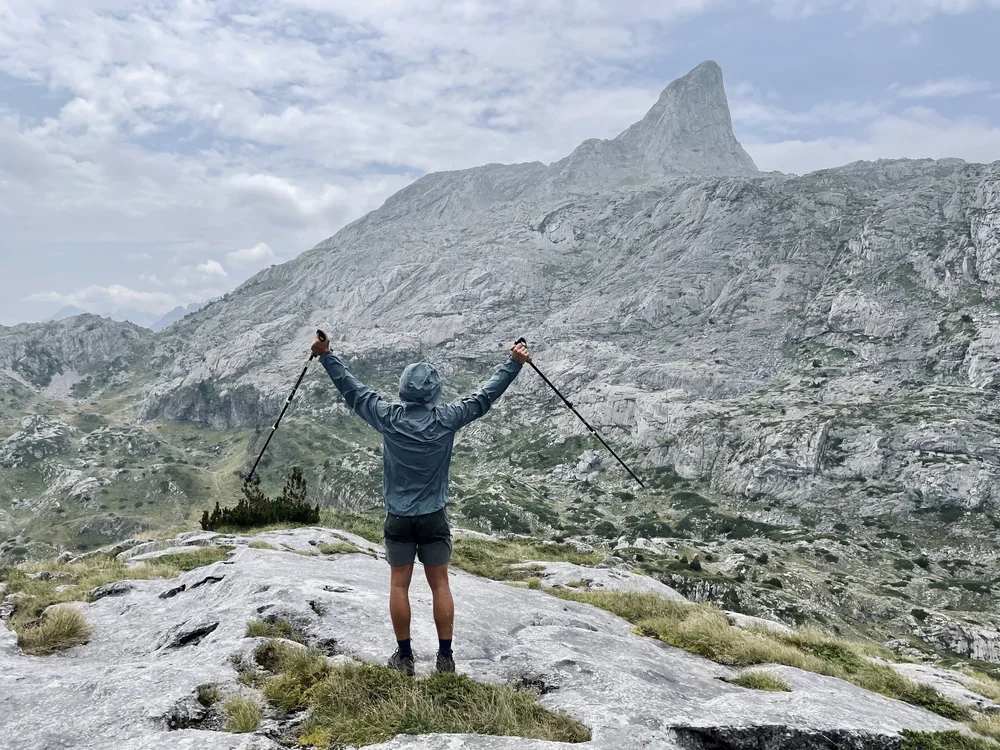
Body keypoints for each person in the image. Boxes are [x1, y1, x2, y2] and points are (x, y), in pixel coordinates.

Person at [312, 334, 532, 676]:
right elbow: (485, 396)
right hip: (434, 517)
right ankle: (445, 659)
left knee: (399, 584)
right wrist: (514, 363)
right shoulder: (447, 418)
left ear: (403, 389)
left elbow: (352, 389)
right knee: (440, 584)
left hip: (398, 517)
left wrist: (326, 356)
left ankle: (405, 657)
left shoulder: (387, 416)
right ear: (434, 392)